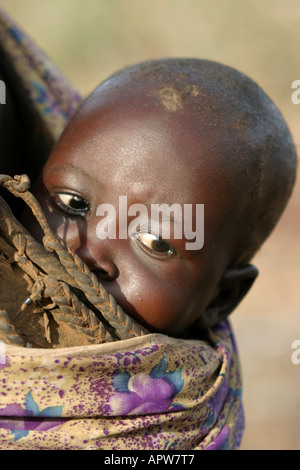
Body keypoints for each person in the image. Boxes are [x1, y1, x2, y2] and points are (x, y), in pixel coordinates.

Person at [0, 8, 297, 451]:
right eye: (72, 203)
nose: (88, 250)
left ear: (221, 299)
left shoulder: (186, 424)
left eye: (154, 241)